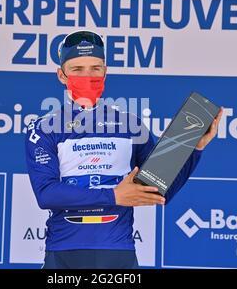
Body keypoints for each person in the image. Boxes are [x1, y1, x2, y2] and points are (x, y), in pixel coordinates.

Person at [25, 30, 223, 269]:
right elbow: (46, 194)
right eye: (77, 69)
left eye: (95, 68)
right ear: (61, 75)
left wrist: (194, 149)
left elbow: (159, 189)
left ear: (105, 72)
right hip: (65, 252)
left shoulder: (131, 125)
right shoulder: (44, 127)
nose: (87, 75)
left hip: (117, 252)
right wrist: (114, 196)